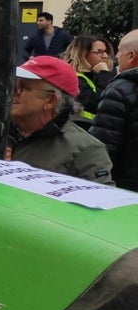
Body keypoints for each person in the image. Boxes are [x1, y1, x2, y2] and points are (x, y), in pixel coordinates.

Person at [8, 56, 113, 184]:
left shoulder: (86, 150)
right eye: (12, 85)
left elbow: (99, 200)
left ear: (50, 100)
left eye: (21, 88)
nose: (12, 92)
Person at [89, 29, 138, 191]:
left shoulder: (121, 89)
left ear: (131, 56)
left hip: (126, 189)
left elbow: (102, 148)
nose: (115, 56)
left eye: (119, 51)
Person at [62, 35, 115, 121]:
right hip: (81, 128)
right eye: (99, 52)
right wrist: (105, 75)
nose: (105, 56)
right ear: (82, 54)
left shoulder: (96, 74)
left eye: (106, 51)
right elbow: (100, 103)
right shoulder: (75, 78)